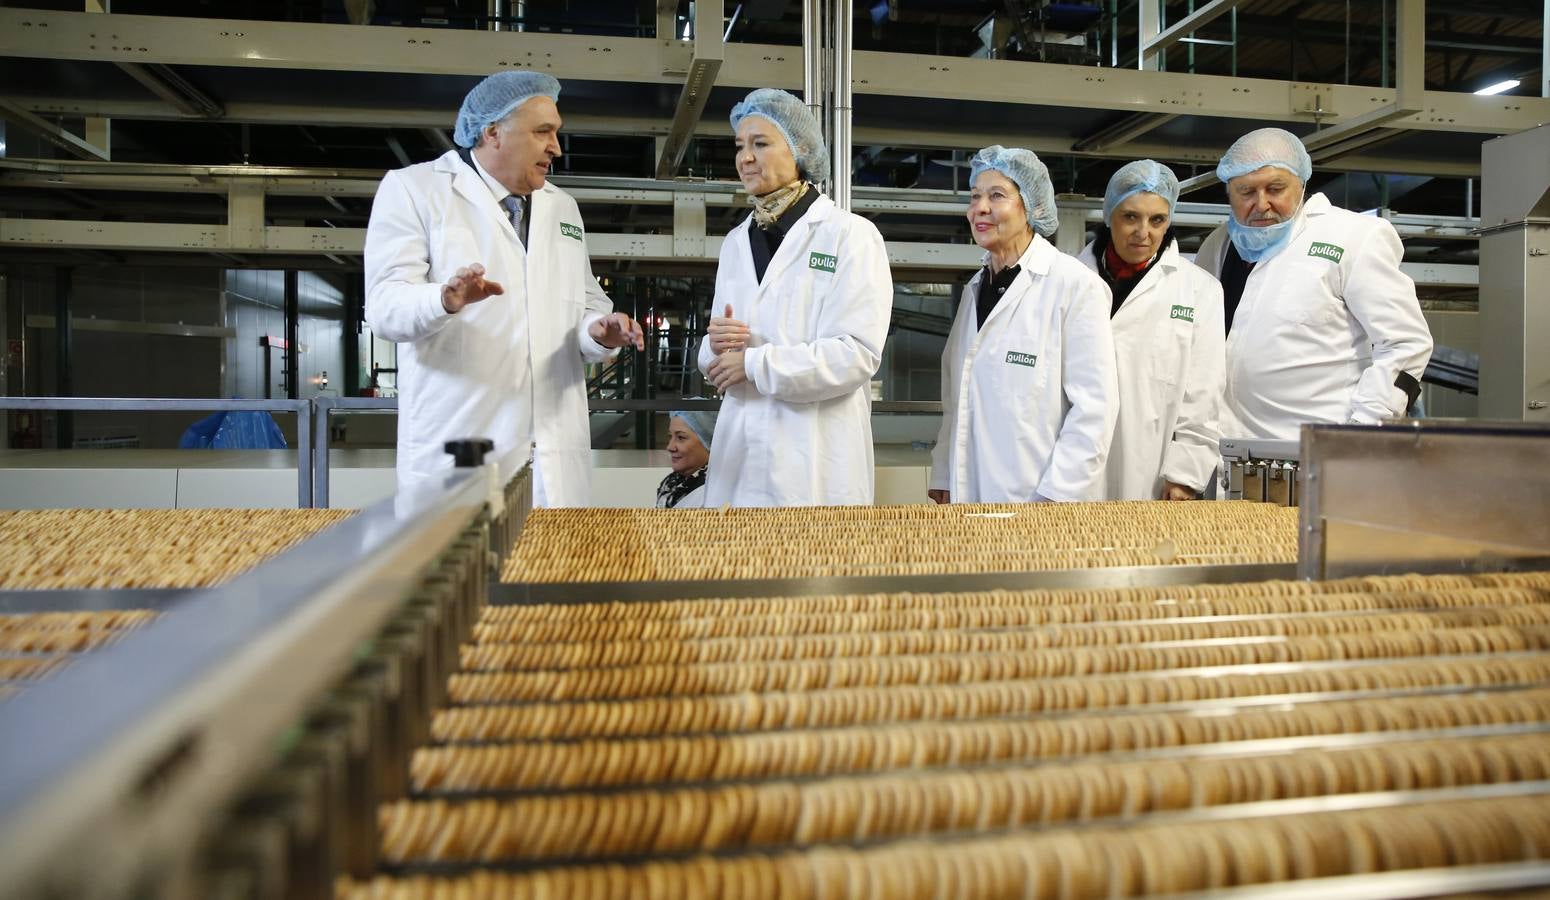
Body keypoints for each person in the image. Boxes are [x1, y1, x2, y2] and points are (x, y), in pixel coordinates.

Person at [364, 71, 645, 505]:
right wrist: (443, 299)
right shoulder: (415, 189)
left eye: (556, 133)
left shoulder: (562, 207)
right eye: (542, 132)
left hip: (553, 451)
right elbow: (384, 307)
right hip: (462, 448)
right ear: (492, 132)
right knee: (464, 569)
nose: (556, 147)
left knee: (553, 568)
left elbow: (585, 304)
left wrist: (598, 332)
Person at [698, 88, 893, 507]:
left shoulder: (850, 235)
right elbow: (717, 351)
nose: (745, 157)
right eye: (739, 146)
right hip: (741, 457)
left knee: (812, 571)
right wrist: (712, 347)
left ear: (800, 149)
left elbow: (856, 354)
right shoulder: (736, 241)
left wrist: (753, 363)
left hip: (814, 464)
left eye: (760, 144)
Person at [1195, 127, 1433, 440]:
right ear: (1229, 193)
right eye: (1246, 192)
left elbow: (1406, 342)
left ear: (1302, 185)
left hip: (1318, 451)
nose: (1262, 203)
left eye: (1275, 189)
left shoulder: (1353, 236)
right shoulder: (1218, 246)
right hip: (1226, 451)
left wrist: (1365, 430)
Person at [929, 145, 1119, 504]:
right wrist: (944, 470)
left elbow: (1094, 410)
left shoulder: (1074, 286)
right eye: (974, 196)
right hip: (969, 494)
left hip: (1041, 499)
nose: (980, 208)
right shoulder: (975, 289)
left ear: (1032, 207)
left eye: (996, 195)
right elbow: (958, 396)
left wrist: (1056, 497)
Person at [1077, 160, 1225, 501]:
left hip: (1152, 471)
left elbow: (1204, 394)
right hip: (1071, 468)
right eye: (1130, 217)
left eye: (1157, 219)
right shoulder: (1069, 279)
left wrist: (1186, 474)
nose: (1144, 232)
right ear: (1109, 214)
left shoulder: (1198, 290)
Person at [655, 410, 716, 508]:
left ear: (708, 442)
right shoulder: (671, 483)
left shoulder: (715, 492)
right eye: (670, 436)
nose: (670, 447)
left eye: (681, 437)